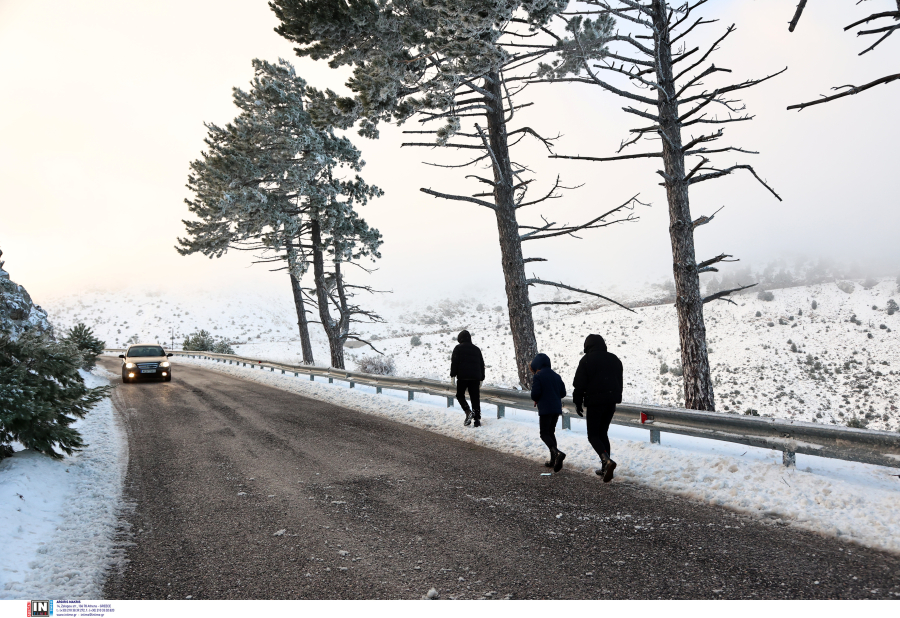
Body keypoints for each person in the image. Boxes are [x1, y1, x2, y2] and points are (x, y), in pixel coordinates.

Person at [572, 334, 623, 482]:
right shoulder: (614, 359)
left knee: (593, 435)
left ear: (587, 346)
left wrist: (577, 402)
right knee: (603, 434)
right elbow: (619, 381)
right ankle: (605, 466)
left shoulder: (587, 360)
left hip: (595, 403)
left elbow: (579, 384)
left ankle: (606, 462)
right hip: (611, 403)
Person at [530, 353, 567, 472]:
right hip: (556, 408)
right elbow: (563, 393)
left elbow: (535, 394)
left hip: (545, 408)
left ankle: (556, 453)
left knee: (544, 433)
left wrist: (539, 397)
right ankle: (553, 460)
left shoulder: (538, 376)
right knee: (551, 432)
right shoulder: (556, 376)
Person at [450, 329, 485, 427]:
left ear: (460, 339)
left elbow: (454, 363)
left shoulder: (458, 348)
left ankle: (468, 411)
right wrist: (482, 378)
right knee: (475, 398)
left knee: (460, 395)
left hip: (463, 377)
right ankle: (477, 420)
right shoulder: (476, 349)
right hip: (475, 378)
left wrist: (453, 375)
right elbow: (481, 364)